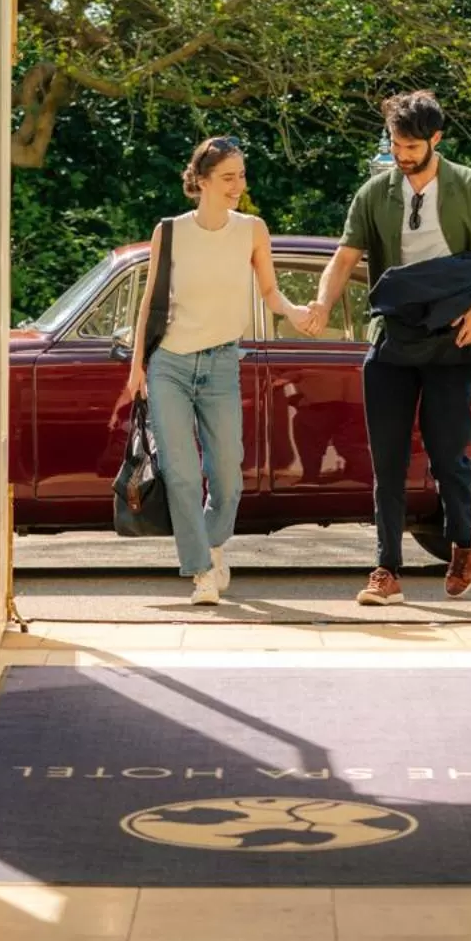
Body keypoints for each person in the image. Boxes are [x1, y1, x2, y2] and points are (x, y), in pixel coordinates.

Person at [304, 93, 471, 606]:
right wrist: (322, 303)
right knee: (388, 461)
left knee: (447, 458)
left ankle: (464, 539)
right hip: (392, 339)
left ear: (436, 140)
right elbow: (343, 256)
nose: (402, 154)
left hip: (450, 339)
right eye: (396, 145)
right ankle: (386, 569)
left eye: (412, 145)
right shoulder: (375, 194)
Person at [120, 136, 314, 605]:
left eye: (241, 176)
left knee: (227, 474)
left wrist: (294, 310)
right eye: (228, 178)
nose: (237, 186)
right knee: (182, 472)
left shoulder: (252, 230)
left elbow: (269, 291)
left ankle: (211, 542)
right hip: (169, 365)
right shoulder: (169, 231)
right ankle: (201, 571)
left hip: (223, 362)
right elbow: (150, 300)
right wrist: (136, 366)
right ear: (202, 181)